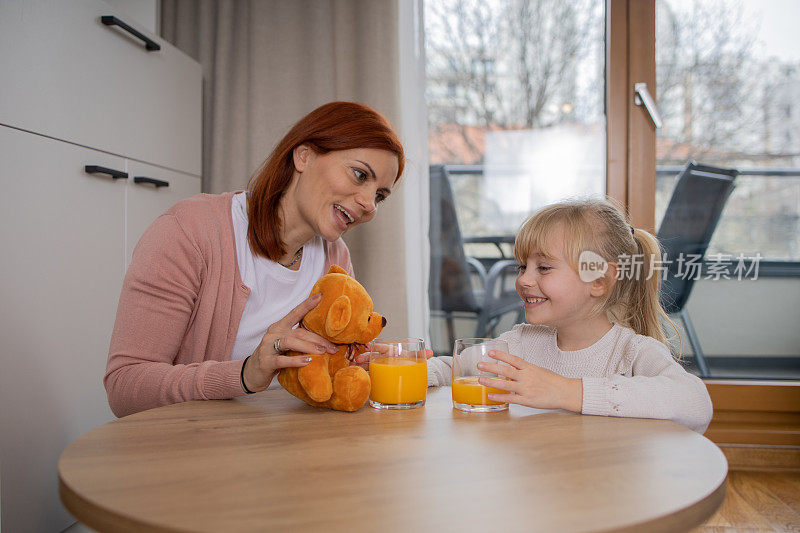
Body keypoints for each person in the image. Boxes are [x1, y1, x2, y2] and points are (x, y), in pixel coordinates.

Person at [105, 101, 404, 417]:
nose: (369, 205)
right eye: (360, 175)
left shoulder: (336, 258)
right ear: (304, 156)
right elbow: (125, 388)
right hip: (196, 451)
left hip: (292, 449)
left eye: (380, 196)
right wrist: (246, 374)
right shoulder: (190, 231)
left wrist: (357, 364)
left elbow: (324, 379)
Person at [426, 199, 713, 433]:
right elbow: (458, 367)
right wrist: (406, 365)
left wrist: (566, 391)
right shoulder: (522, 343)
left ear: (599, 280)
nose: (524, 280)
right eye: (522, 267)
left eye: (544, 268)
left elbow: (696, 404)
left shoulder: (631, 352)